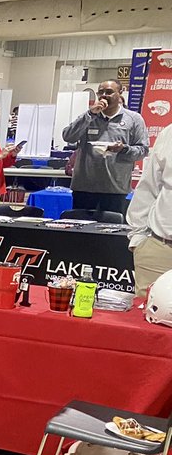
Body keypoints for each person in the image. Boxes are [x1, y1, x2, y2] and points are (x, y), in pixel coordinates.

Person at [62, 80, 149, 214]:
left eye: (109, 92)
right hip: (84, 188)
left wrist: (124, 149)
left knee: (111, 225)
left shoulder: (134, 119)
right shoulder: (89, 116)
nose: (104, 95)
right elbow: (68, 136)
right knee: (80, 225)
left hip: (115, 189)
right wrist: (90, 115)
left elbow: (143, 150)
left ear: (120, 93)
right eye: (101, 92)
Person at [127, 125, 172, 296]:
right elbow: (148, 187)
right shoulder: (169, 133)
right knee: (145, 313)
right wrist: (139, 239)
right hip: (160, 250)